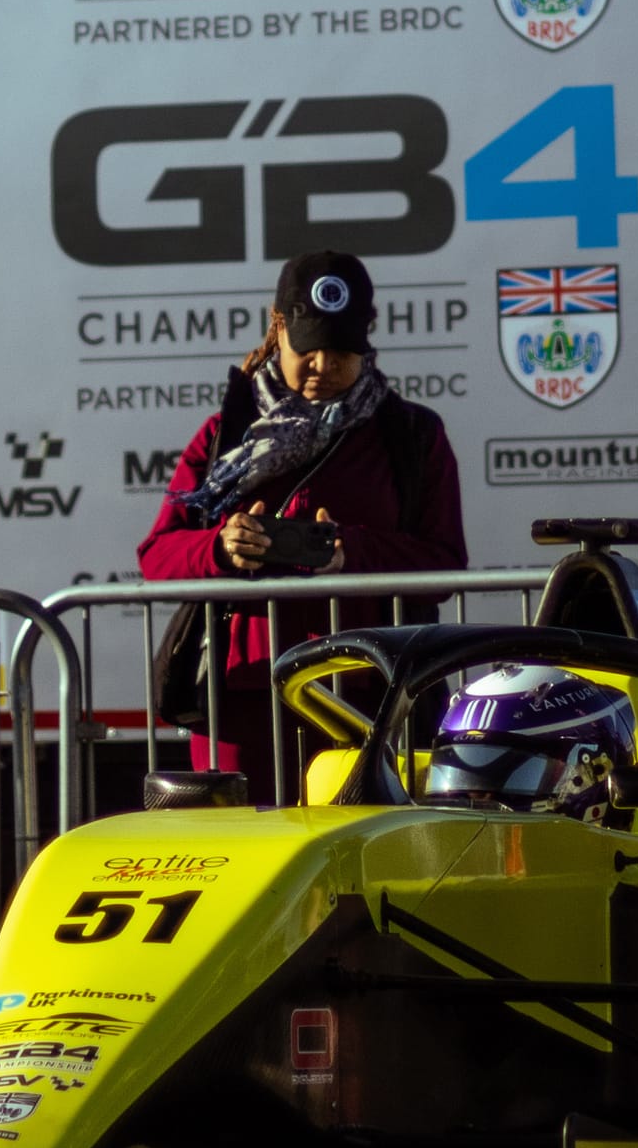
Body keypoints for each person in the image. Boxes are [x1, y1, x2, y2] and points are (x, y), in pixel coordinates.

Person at [137, 248, 466, 800]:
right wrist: (221, 547)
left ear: (368, 338)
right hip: (244, 692)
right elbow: (157, 555)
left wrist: (351, 552)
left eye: (341, 352)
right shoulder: (226, 432)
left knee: (369, 840)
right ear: (278, 329)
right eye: (307, 349)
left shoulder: (412, 435)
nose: (323, 367)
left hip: (373, 691)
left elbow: (445, 563)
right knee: (244, 841)